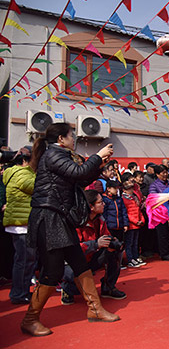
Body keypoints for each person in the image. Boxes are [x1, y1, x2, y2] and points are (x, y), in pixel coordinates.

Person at [22, 123, 119, 337]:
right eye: (71, 135)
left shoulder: (58, 155)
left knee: (79, 263)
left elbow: (82, 178)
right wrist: (97, 155)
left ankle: (95, 309)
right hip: (49, 218)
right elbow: (78, 172)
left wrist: (99, 162)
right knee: (53, 270)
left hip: (59, 218)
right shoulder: (53, 154)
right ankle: (30, 318)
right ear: (61, 139)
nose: (73, 139)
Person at [61, 190, 127, 304]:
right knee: (77, 285)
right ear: (91, 206)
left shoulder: (100, 219)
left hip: (90, 258)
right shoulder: (75, 222)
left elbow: (106, 236)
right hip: (72, 262)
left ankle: (108, 287)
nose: (104, 204)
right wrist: (96, 244)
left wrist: (111, 242)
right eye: (100, 202)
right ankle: (67, 288)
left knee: (115, 252)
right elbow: (72, 249)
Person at [3, 147, 36, 304]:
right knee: (24, 260)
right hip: (21, 224)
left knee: (25, 260)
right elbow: (36, 186)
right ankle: (19, 294)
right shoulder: (22, 174)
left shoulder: (13, 172)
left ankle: (21, 291)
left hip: (21, 223)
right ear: (24, 161)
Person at [121, 180, 146, 268]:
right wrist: (136, 221)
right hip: (131, 225)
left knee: (135, 243)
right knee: (129, 243)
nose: (131, 190)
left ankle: (135, 257)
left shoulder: (134, 198)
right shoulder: (123, 199)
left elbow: (138, 210)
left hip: (137, 224)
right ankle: (130, 259)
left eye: (131, 188)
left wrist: (142, 220)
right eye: (128, 189)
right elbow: (126, 213)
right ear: (124, 190)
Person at [149, 164, 169, 261]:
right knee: (163, 235)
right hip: (160, 214)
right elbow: (153, 199)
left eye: (166, 172)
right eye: (163, 173)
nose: (166, 174)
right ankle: (164, 254)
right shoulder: (154, 185)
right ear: (157, 174)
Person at [102, 180, 129, 247]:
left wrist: (125, 224)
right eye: (114, 188)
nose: (116, 190)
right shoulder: (105, 200)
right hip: (110, 227)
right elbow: (104, 214)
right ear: (108, 189)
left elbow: (124, 212)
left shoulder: (119, 199)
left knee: (120, 245)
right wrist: (106, 225)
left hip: (120, 226)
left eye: (117, 188)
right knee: (111, 246)